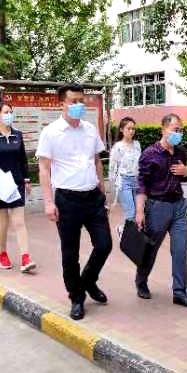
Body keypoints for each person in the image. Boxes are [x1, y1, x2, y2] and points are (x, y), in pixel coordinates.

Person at [36, 84, 112, 321]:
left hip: (93, 198)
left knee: (104, 245)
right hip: (67, 200)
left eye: (82, 100)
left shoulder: (90, 129)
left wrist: (103, 191)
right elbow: (44, 168)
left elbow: (97, 160)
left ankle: (87, 281)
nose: (79, 105)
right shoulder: (51, 132)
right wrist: (48, 202)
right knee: (70, 254)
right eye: (74, 101)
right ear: (62, 104)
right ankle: (76, 297)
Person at [135, 113, 187, 309]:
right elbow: (142, 184)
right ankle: (141, 280)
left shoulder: (181, 152)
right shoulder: (149, 154)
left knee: (180, 249)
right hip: (158, 207)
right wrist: (139, 212)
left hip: (178, 206)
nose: (178, 133)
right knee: (151, 248)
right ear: (163, 129)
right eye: (175, 129)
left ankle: (179, 292)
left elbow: (184, 177)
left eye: (180, 130)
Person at [0, 102, 36, 274]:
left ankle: (26, 258)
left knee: (19, 222)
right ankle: (3, 254)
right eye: (6, 112)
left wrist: (27, 180)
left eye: (10, 112)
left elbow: (23, 160)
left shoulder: (18, 135)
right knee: (3, 223)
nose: (9, 115)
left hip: (17, 184)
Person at [109, 117, 141, 233]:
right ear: (122, 130)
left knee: (138, 211)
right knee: (130, 212)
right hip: (124, 182)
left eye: (133, 129)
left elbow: (140, 163)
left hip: (136, 181)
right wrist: (114, 187)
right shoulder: (118, 147)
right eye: (128, 128)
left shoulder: (137, 144)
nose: (131, 131)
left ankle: (124, 231)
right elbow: (112, 167)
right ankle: (127, 234)